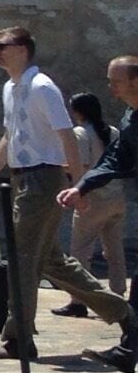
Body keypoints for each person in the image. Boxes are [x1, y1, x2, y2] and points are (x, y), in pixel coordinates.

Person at [0, 26, 134, 364]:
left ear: (24, 49)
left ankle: (18, 339)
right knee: (51, 262)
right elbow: (9, 136)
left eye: (3, 45)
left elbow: (67, 136)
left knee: (23, 259)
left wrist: (78, 183)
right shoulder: (10, 89)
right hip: (22, 178)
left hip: (43, 179)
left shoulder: (42, 88)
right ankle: (124, 313)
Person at [55, 54, 138, 373]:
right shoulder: (130, 119)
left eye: (115, 80)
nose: (110, 86)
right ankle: (128, 351)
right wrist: (82, 187)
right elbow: (115, 160)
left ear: (135, 81)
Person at [55, 90, 128, 318]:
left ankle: (79, 300)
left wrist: (60, 168)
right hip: (116, 197)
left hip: (93, 198)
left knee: (80, 251)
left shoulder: (80, 133)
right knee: (115, 250)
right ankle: (119, 296)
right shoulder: (114, 131)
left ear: (77, 112)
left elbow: (82, 165)